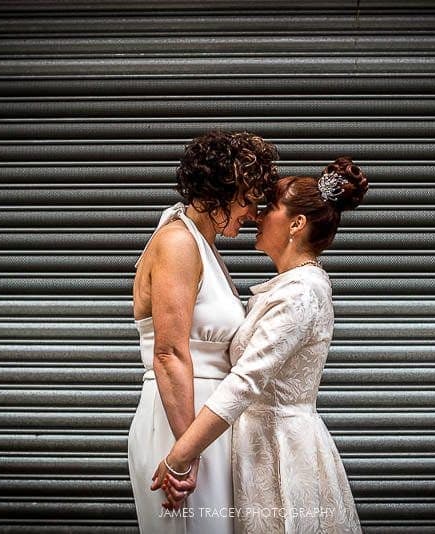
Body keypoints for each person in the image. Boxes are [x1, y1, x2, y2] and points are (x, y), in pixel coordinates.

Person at [152, 156, 368, 533]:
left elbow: (246, 380)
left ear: (296, 224)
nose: (256, 215)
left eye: (270, 208)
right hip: (258, 447)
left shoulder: (301, 293)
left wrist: (180, 454)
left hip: (282, 450)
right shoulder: (288, 287)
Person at [128, 130, 279, 534]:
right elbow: (169, 354)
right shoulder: (178, 242)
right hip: (181, 420)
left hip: (202, 425)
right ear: (216, 193)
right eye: (246, 200)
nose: (254, 213)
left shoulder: (202, 246)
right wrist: (185, 453)